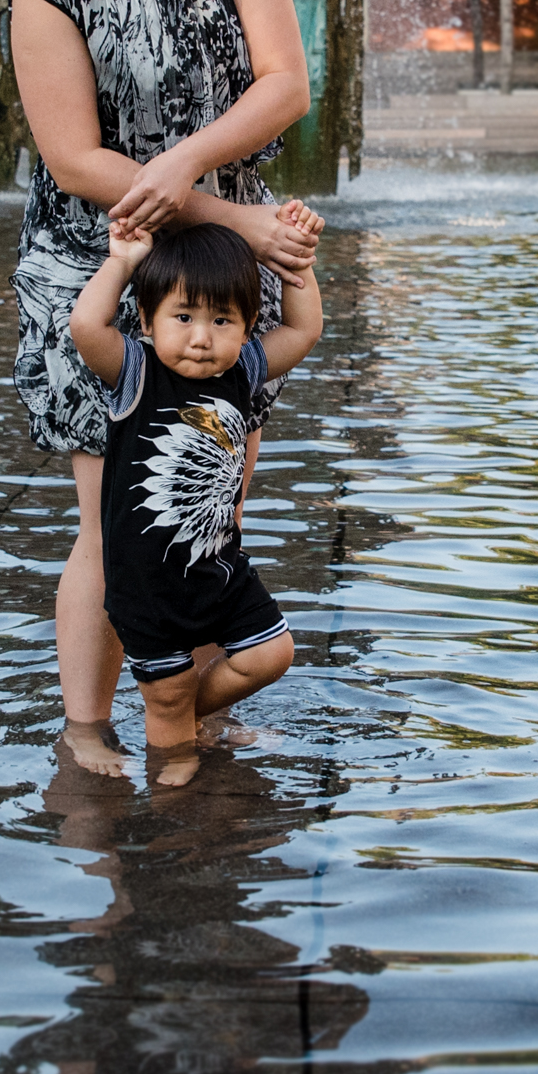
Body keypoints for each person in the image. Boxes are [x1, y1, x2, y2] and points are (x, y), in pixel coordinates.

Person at [10, 0, 321, 774]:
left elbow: (287, 85)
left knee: (214, 505)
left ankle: (188, 716)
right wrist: (222, 211)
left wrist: (186, 169)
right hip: (104, 250)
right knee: (107, 524)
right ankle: (85, 731)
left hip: (223, 272)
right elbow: (74, 157)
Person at [70, 218, 323, 786]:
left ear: (248, 326)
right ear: (147, 319)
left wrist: (300, 265)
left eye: (221, 320)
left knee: (271, 654)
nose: (201, 337)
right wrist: (122, 262)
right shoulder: (137, 372)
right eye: (182, 317)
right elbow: (86, 326)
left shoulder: (244, 371)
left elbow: (305, 332)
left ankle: (181, 721)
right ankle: (173, 781)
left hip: (220, 571)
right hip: (147, 585)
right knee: (173, 724)